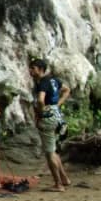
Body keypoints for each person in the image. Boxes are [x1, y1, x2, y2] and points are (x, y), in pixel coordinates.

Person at [29, 58, 71, 191]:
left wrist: (41, 113)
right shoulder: (54, 80)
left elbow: (41, 100)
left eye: (33, 68)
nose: (30, 71)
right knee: (53, 149)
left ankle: (58, 184)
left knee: (49, 152)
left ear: (40, 69)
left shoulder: (43, 83)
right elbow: (66, 89)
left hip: (48, 117)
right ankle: (64, 179)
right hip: (57, 115)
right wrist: (58, 104)